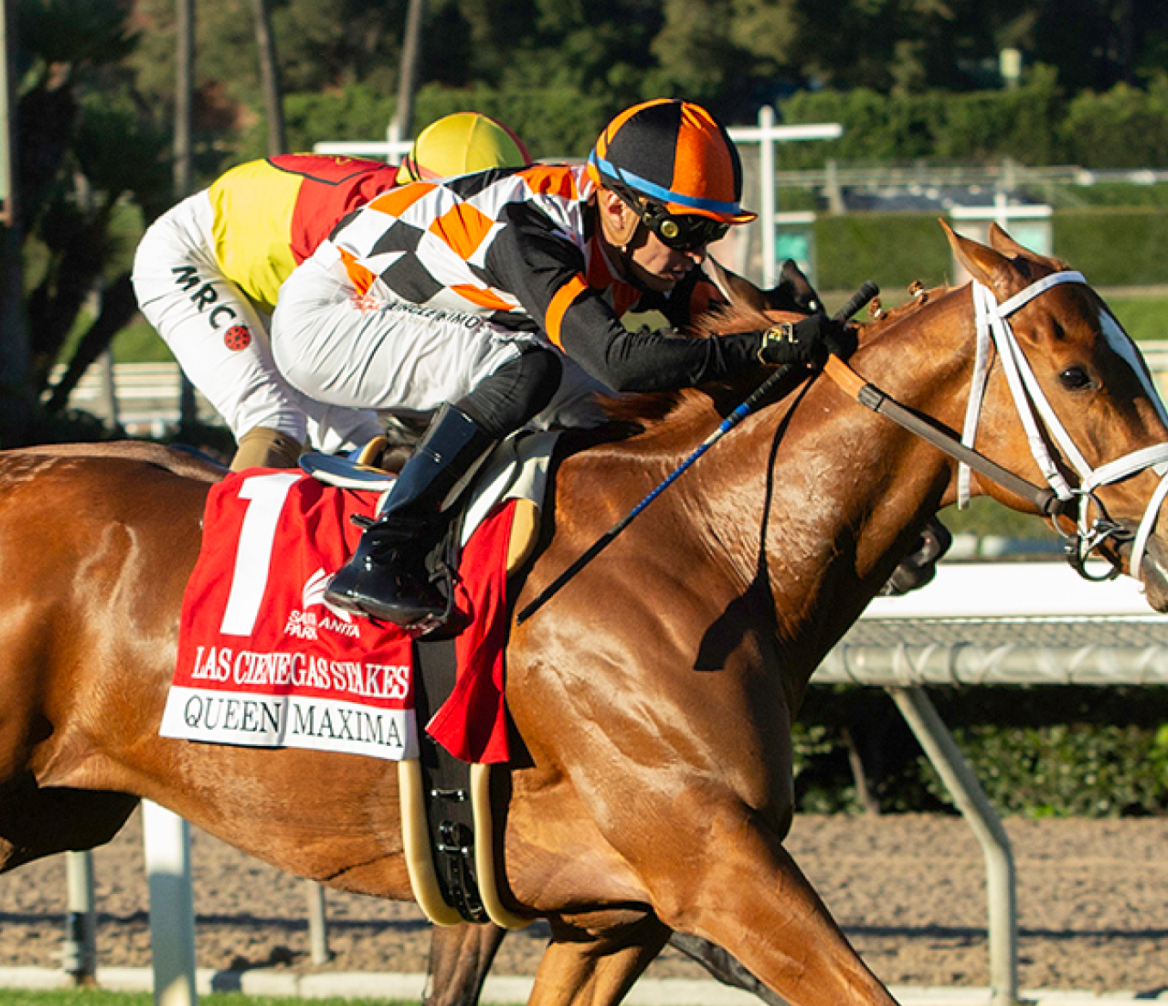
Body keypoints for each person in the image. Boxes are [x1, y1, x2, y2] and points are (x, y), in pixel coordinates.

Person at [270, 98, 850, 629]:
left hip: (413, 309)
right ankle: (384, 550)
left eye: (712, 231)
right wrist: (769, 346)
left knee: (605, 407)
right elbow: (621, 360)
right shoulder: (532, 235)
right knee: (532, 368)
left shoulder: (627, 235)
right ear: (618, 208)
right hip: (331, 318)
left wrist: (806, 326)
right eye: (684, 229)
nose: (696, 253)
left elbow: (720, 321)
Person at [131, 112, 531, 472]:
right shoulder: (368, 226)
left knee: (364, 439)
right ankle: (231, 544)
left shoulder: (408, 209)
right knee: (274, 419)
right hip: (192, 256)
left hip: (281, 278)